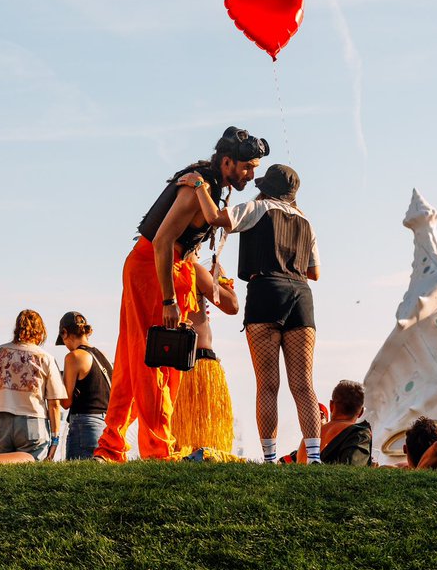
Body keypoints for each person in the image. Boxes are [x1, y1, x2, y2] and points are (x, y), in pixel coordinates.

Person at [94, 126, 269, 464]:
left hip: (161, 268)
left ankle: (111, 445)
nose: (250, 174)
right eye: (247, 167)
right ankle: (160, 449)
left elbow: (189, 242)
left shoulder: (207, 186)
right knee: (157, 363)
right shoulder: (194, 189)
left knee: (138, 361)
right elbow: (161, 243)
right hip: (152, 270)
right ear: (228, 162)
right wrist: (169, 299)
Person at [180, 162, 322, 464]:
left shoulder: (258, 208)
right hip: (300, 295)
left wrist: (200, 187)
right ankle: (314, 456)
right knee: (304, 383)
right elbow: (315, 272)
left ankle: (269, 458)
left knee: (268, 384)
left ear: (265, 187)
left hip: (266, 290)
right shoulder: (306, 221)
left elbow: (217, 218)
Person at [0, 310, 67, 461]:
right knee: (32, 470)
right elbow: (54, 404)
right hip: (32, 421)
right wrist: (55, 439)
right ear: (41, 331)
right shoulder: (45, 358)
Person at [171, 260, 239, 455]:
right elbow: (232, 305)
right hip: (200, 365)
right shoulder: (193, 270)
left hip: (171, 365)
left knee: (178, 439)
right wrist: (221, 278)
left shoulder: (157, 270)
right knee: (207, 442)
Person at [57, 311, 113, 460]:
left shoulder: (74, 357)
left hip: (84, 426)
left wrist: (56, 383)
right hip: (106, 426)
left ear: (64, 333)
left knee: (78, 479)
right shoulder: (103, 356)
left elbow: (66, 402)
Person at [286, 380, 371, 465]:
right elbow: (353, 470)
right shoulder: (359, 433)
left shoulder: (310, 436)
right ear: (361, 412)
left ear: (331, 405)